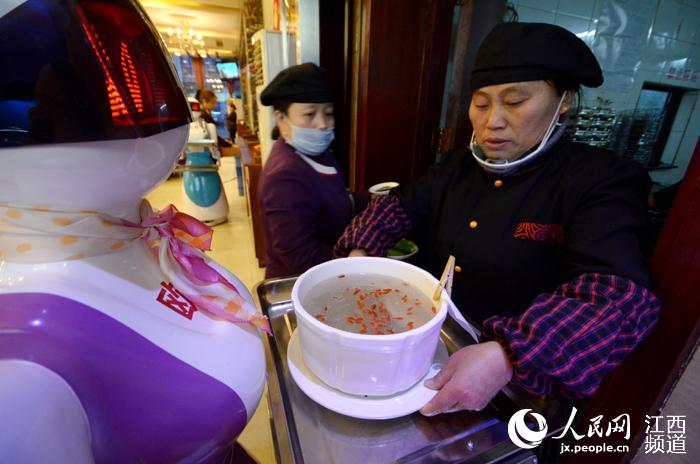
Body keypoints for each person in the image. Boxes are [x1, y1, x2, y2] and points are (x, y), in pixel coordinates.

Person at [334, 22, 661, 415]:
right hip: (434, 345)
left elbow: (618, 298)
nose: (493, 122)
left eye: (516, 101)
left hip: (518, 385)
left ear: (565, 101)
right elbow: (399, 206)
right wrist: (359, 255)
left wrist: (508, 355)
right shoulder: (457, 166)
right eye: (481, 103)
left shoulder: (599, 180)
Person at [258, 63, 369, 278]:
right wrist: (355, 257)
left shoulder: (319, 153)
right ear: (281, 119)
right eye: (310, 114)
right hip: (299, 282)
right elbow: (301, 260)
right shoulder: (284, 178)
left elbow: (333, 200)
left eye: (328, 113)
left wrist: (372, 198)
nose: (323, 124)